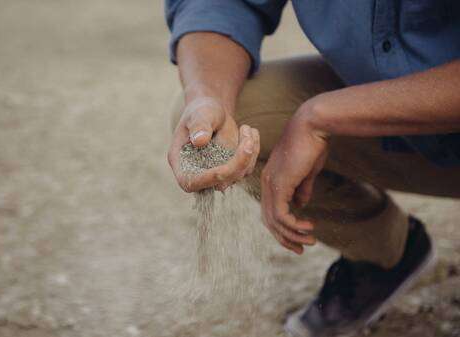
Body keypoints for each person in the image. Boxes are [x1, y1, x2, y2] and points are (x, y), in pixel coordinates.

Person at [164, 1, 460, 336]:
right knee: (233, 119)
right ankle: (387, 253)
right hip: (400, 117)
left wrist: (323, 117)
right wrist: (207, 95)